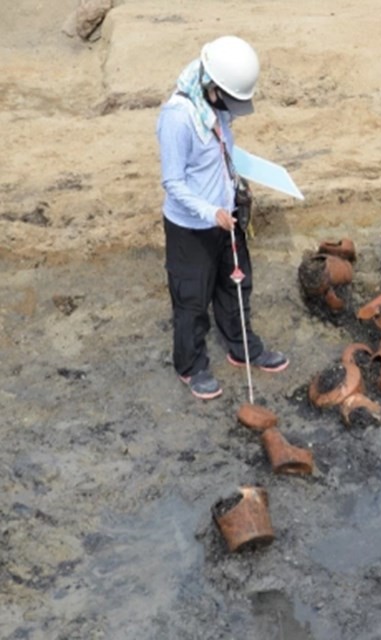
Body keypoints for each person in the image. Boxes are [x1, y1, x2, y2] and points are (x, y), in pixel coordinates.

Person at [157, 35, 288, 400]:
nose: (231, 108)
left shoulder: (215, 106)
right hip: (191, 229)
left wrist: (232, 194)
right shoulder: (177, 118)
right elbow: (173, 181)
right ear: (211, 85)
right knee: (192, 300)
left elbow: (220, 154)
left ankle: (242, 346)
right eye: (229, 99)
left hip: (225, 219)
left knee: (235, 286)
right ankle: (191, 365)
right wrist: (209, 211)